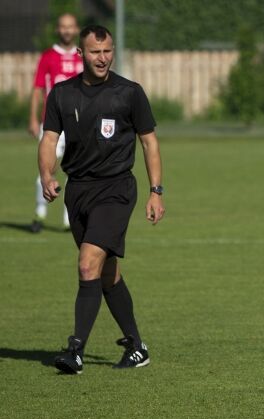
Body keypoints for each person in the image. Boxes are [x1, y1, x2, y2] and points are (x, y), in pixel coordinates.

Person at [39, 25, 165, 374]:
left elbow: (149, 142)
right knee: (106, 273)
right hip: (78, 191)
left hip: (115, 190)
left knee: (87, 264)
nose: (103, 58)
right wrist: (47, 174)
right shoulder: (62, 95)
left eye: (107, 51)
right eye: (95, 52)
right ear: (81, 54)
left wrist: (156, 192)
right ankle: (137, 346)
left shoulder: (129, 93)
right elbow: (49, 140)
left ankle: (75, 350)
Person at [28, 13, 82, 233]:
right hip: (52, 124)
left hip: (80, 124)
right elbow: (38, 88)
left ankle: (69, 220)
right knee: (46, 169)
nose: (67, 30)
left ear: (76, 29)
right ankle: (39, 214)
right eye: (63, 27)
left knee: (76, 171)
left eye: (70, 27)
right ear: (58, 30)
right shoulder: (48, 56)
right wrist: (32, 118)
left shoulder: (84, 56)